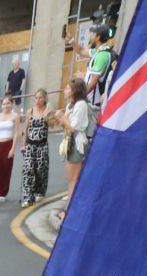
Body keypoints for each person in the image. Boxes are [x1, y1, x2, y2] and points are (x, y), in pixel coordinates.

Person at [57, 79, 92, 212]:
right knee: (70, 178)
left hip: (77, 143)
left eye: (67, 88)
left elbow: (74, 128)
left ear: (74, 91)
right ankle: (71, 207)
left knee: (73, 179)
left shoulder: (81, 105)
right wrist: (60, 119)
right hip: (69, 142)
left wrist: (63, 117)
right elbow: (66, 126)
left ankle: (70, 209)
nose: (65, 90)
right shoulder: (70, 105)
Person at [19, 89, 53, 208]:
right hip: (30, 145)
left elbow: (52, 125)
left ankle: (39, 191)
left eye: (40, 98)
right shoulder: (30, 111)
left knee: (40, 170)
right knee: (28, 170)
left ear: (45, 99)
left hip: (42, 146)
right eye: (36, 98)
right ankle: (27, 197)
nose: (38, 100)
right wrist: (24, 145)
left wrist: (48, 116)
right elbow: (26, 129)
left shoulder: (47, 111)